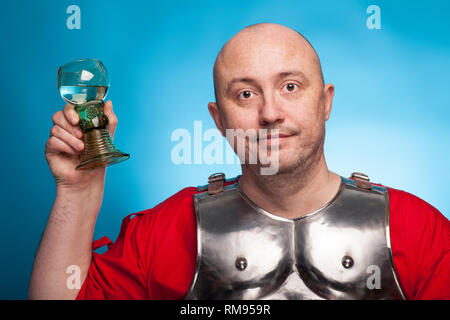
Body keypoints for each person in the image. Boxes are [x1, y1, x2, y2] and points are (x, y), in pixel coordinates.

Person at [29, 23, 449, 300]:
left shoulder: (418, 229)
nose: (269, 113)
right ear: (219, 119)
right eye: (245, 94)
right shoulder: (164, 231)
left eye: (290, 86)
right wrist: (77, 191)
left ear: (325, 102)